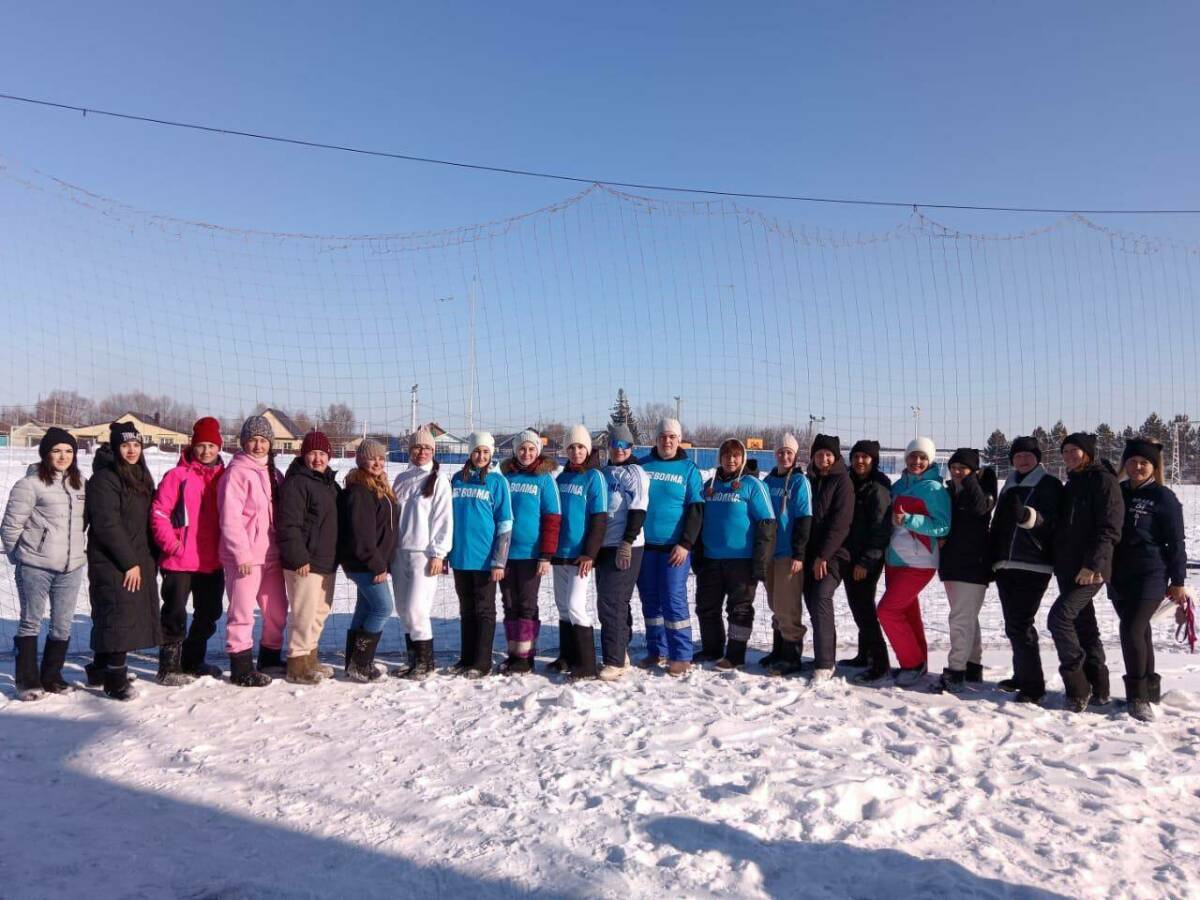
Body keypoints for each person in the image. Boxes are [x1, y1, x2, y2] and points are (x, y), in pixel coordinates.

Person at [2, 427, 87, 700]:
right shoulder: (29, 484)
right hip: (35, 566)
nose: (63, 456)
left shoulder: (80, 484)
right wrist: (21, 557)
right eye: (56, 451)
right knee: (31, 621)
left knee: (62, 625)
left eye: (68, 451)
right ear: (46, 453)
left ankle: (52, 676)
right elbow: (10, 527)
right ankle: (27, 681)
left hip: (71, 567)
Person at [1110, 438, 1188, 722]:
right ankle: (1151, 690)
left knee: (1131, 629)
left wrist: (1178, 580)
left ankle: (1138, 698)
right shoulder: (1117, 492)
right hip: (1118, 575)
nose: (1137, 467)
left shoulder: (1163, 497)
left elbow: (1176, 542)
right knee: (1140, 632)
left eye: (1144, 462)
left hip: (1150, 574)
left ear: (1154, 467)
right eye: (1132, 461)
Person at [84, 422, 161, 700]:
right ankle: (115, 680)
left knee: (117, 613)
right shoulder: (105, 479)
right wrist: (129, 562)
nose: (131, 450)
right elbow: (107, 524)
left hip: (137, 556)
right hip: (113, 559)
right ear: (116, 447)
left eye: (136, 445)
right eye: (126, 445)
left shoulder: (140, 475)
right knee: (119, 615)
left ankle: (99, 669)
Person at [1048, 432, 1123, 712]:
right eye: (1065, 451)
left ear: (1088, 453)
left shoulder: (1103, 481)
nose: (1069, 455)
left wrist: (1094, 564)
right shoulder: (1072, 483)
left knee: (1059, 619)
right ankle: (1099, 688)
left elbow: (1109, 528)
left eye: (1075, 450)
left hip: (1091, 569)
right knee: (1084, 625)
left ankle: (1078, 687)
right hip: (1068, 567)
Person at [150, 416, 227, 686]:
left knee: (210, 612)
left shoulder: (225, 478)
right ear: (192, 447)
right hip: (179, 560)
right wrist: (172, 545)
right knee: (174, 613)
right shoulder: (177, 476)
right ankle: (169, 666)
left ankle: (193, 660)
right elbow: (159, 513)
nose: (206, 451)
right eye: (201, 446)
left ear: (219, 447)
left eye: (211, 446)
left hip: (212, 560)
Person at [989, 436, 1063, 704]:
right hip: (1005, 564)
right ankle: (1021, 675)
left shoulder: (1050, 484)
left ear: (1037, 458)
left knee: (1021, 624)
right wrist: (992, 557)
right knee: (1013, 624)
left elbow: (1053, 523)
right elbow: (998, 524)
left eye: (1028, 455)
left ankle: (1033, 687)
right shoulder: (1010, 484)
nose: (1023, 460)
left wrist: (1028, 517)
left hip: (1034, 563)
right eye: (1018, 456)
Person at [694, 438, 776, 670]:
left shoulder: (752, 485)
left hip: (742, 561)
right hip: (711, 559)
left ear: (743, 458)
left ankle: (736, 654)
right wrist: (697, 554)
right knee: (706, 607)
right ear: (719, 458)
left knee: (739, 608)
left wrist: (761, 560)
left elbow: (767, 523)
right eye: (726, 455)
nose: (731, 460)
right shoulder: (709, 485)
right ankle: (712, 648)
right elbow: (698, 520)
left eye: (736, 456)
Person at [875, 437, 951, 687]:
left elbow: (942, 525)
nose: (917, 461)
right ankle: (920, 663)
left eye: (922, 457)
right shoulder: (899, 486)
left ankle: (912, 663)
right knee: (907, 613)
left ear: (930, 461)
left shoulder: (934, 489)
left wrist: (910, 520)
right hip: (894, 559)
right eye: (912, 457)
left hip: (920, 561)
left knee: (887, 611)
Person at [218, 414, 286, 688]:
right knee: (242, 612)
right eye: (253, 440)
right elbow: (230, 517)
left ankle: (269, 657)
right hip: (245, 558)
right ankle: (241, 666)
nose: (258, 446)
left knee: (277, 610)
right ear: (243, 442)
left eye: (263, 440)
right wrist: (241, 554)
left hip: (272, 555)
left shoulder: (274, 473)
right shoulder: (236, 473)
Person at [637, 418, 705, 677]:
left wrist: (686, 543)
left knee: (673, 598)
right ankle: (657, 649)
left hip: (675, 549)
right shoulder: (642, 466)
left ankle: (681, 654)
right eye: (663, 436)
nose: (667, 441)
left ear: (679, 440)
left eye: (672, 437)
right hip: (645, 547)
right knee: (650, 600)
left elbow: (696, 509)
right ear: (656, 439)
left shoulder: (689, 469)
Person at [277, 431, 340, 685]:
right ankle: (296, 663)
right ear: (303, 455)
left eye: (322, 454)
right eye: (312, 453)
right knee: (303, 614)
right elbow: (288, 524)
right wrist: (298, 557)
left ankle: (310, 658)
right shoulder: (297, 483)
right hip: (305, 562)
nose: (317, 459)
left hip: (326, 560)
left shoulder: (329, 483)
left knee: (319, 612)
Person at [448, 432, 512, 678]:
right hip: (460, 557)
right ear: (469, 452)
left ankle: (482, 662)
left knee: (484, 610)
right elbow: (448, 519)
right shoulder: (457, 479)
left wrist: (499, 560)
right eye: (476, 451)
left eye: (485, 452)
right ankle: (466, 658)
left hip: (485, 559)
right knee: (466, 609)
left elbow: (505, 522)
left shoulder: (497, 481)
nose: (481, 456)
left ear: (491, 453)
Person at [390, 427, 453, 680]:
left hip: (424, 555)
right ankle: (413, 660)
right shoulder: (401, 479)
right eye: (417, 447)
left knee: (417, 610)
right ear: (410, 450)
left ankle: (426, 663)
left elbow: (444, 519)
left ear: (433, 451)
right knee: (403, 610)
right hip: (399, 553)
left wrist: (439, 553)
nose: (422, 452)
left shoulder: (439, 481)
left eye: (427, 447)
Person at [499, 430, 561, 674]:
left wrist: (546, 555)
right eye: (522, 449)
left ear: (538, 451)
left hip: (531, 555)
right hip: (505, 553)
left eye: (531, 449)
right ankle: (513, 653)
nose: (526, 453)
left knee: (526, 604)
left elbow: (552, 518)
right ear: (515, 450)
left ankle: (526, 657)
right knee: (509, 603)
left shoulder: (544, 479)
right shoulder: (505, 476)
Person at [935, 448, 997, 693]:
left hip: (973, 565)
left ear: (975, 471)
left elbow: (981, 509)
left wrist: (973, 480)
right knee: (968, 617)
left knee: (960, 619)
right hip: (952, 564)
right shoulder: (951, 491)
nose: (957, 472)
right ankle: (972, 665)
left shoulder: (982, 491)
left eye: (963, 468)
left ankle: (956, 671)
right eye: (954, 467)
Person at [338, 439, 399, 682]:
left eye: (381, 458)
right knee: (383, 608)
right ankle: (361, 663)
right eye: (372, 458)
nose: (377, 462)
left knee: (365, 609)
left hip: (371, 562)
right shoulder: (360, 490)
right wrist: (377, 564)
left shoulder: (377, 486)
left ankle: (353, 662)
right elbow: (361, 535)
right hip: (365, 563)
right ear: (361, 460)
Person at [550, 425, 607, 680]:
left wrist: (590, 553)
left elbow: (599, 518)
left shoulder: (595, 477)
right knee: (563, 606)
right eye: (571, 447)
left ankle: (587, 664)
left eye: (580, 447)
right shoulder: (561, 478)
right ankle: (567, 656)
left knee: (575, 605)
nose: (576, 452)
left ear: (588, 449)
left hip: (580, 556)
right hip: (559, 553)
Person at [594, 423, 649, 681]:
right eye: (615, 444)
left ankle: (614, 660)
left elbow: (638, 509)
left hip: (625, 546)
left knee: (612, 602)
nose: (619, 449)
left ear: (631, 447)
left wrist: (627, 541)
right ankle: (621, 651)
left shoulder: (634, 473)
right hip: (604, 546)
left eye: (624, 445)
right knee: (610, 601)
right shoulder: (604, 473)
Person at [840, 439, 893, 683]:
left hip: (866, 559)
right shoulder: (849, 480)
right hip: (850, 555)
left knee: (864, 610)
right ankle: (864, 654)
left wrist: (866, 562)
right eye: (856, 456)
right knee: (859, 606)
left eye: (865, 457)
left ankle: (880, 662)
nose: (860, 461)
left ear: (874, 460)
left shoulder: (878, 487)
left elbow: (881, 530)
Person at [803, 434, 854, 681]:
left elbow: (840, 523)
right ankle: (821, 655)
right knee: (811, 600)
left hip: (835, 553)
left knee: (822, 596)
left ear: (836, 457)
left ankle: (825, 663)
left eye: (828, 454)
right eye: (819, 454)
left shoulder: (842, 482)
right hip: (809, 553)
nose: (824, 458)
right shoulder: (808, 479)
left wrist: (824, 556)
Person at [759, 433, 812, 676]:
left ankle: (791, 656)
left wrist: (799, 554)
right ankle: (778, 650)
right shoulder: (768, 481)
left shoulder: (800, 482)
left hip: (788, 554)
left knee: (787, 605)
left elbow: (804, 519)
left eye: (789, 452)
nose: (784, 456)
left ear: (795, 455)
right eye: (781, 452)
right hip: (770, 552)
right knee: (774, 603)